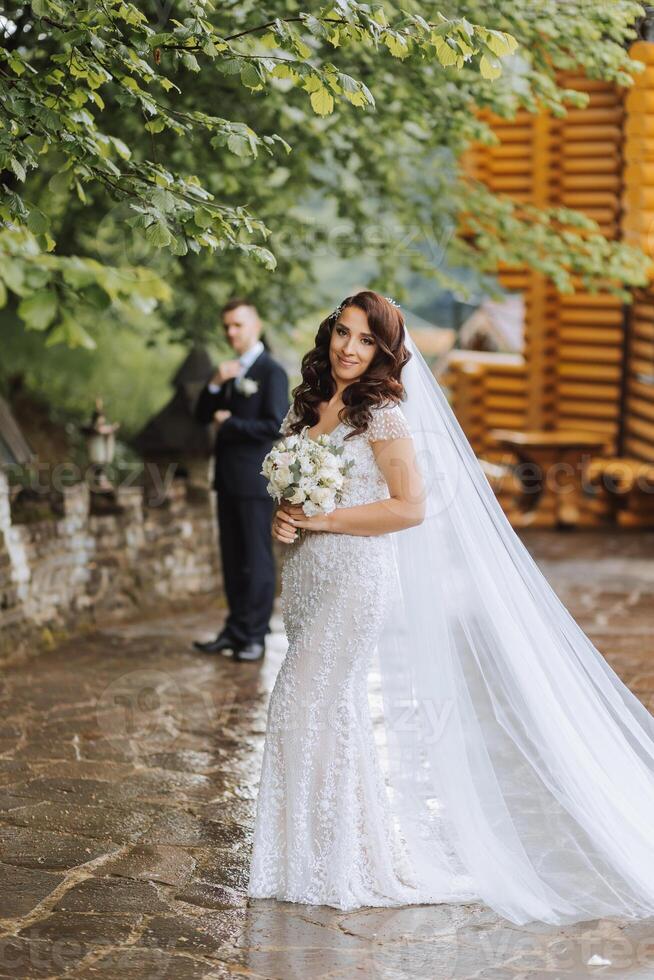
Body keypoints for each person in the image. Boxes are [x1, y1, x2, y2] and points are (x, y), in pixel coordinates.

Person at [247, 290, 654, 926]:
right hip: (306, 578)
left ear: (385, 352)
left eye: (366, 341)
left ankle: (327, 858)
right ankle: (326, 855)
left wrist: (324, 517)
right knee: (326, 709)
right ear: (330, 334)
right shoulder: (312, 407)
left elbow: (410, 505)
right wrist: (289, 517)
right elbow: (301, 495)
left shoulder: (383, 416)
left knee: (303, 701)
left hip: (355, 577)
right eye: (343, 333)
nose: (350, 349)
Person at [193, 298, 289, 662]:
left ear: (256, 325)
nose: (231, 332)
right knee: (231, 557)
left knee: (256, 558)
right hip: (227, 479)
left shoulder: (271, 372)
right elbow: (202, 413)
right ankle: (233, 630)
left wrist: (229, 424)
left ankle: (254, 636)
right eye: (228, 326)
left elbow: (275, 424)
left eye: (238, 324)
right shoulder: (229, 370)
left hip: (254, 479)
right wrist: (216, 383)